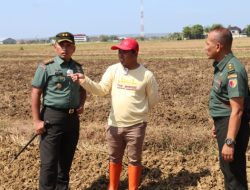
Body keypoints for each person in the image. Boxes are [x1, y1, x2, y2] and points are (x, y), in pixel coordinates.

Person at [70, 38, 159, 190]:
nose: (120, 55)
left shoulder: (146, 75)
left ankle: (133, 188)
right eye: (119, 52)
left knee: (134, 159)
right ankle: (113, 187)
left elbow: (153, 100)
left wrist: (139, 114)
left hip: (136, 126)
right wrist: (85, 81)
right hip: (114, 125)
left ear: (135, 53)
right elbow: (101, 90)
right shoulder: (113, 70)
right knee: (114, 158)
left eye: (124, 52)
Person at [31, 32, 86, 190]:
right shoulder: (46, 67)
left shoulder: (77, 67)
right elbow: (36, 92)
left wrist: (81, 104)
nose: (65, 49)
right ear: (55, 47)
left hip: (72, 119)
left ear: (74, 48)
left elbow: (83, 90)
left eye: (68, 45)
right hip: (52, 119)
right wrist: (36, 121)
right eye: (61, 45)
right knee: (49, 164)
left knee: (65, 164)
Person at [205, 27, 249, 189]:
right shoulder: (221, 66)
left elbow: (237, 110)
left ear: (218, 46)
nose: (204, 47)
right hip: (225, 123)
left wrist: (230, 141)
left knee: (234, 176)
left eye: (207, 43)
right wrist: (218, 123)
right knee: (228, 171)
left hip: (233, 127)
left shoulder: (233, 71)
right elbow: (224, 100)